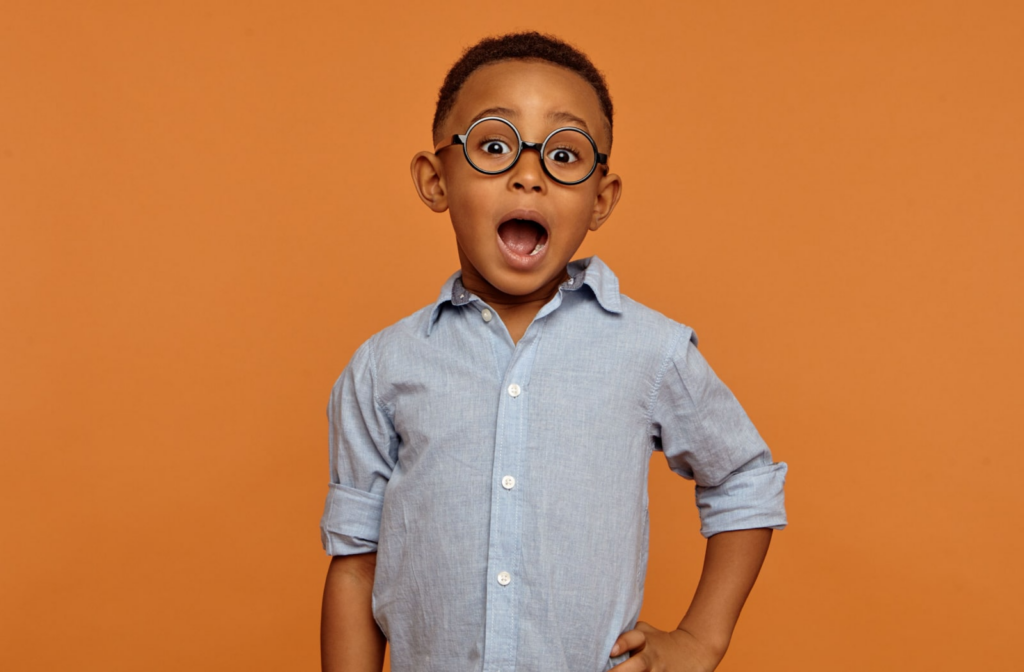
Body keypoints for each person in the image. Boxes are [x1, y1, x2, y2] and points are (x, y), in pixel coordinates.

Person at [319, 31, 788, 672]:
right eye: (493, 145)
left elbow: (744, 478)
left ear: (600, 199)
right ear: (435, 180)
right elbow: (356, 563)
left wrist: (701, 639)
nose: (528, 175)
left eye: (565, 156)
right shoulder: (383, 368)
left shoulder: (651, 350)